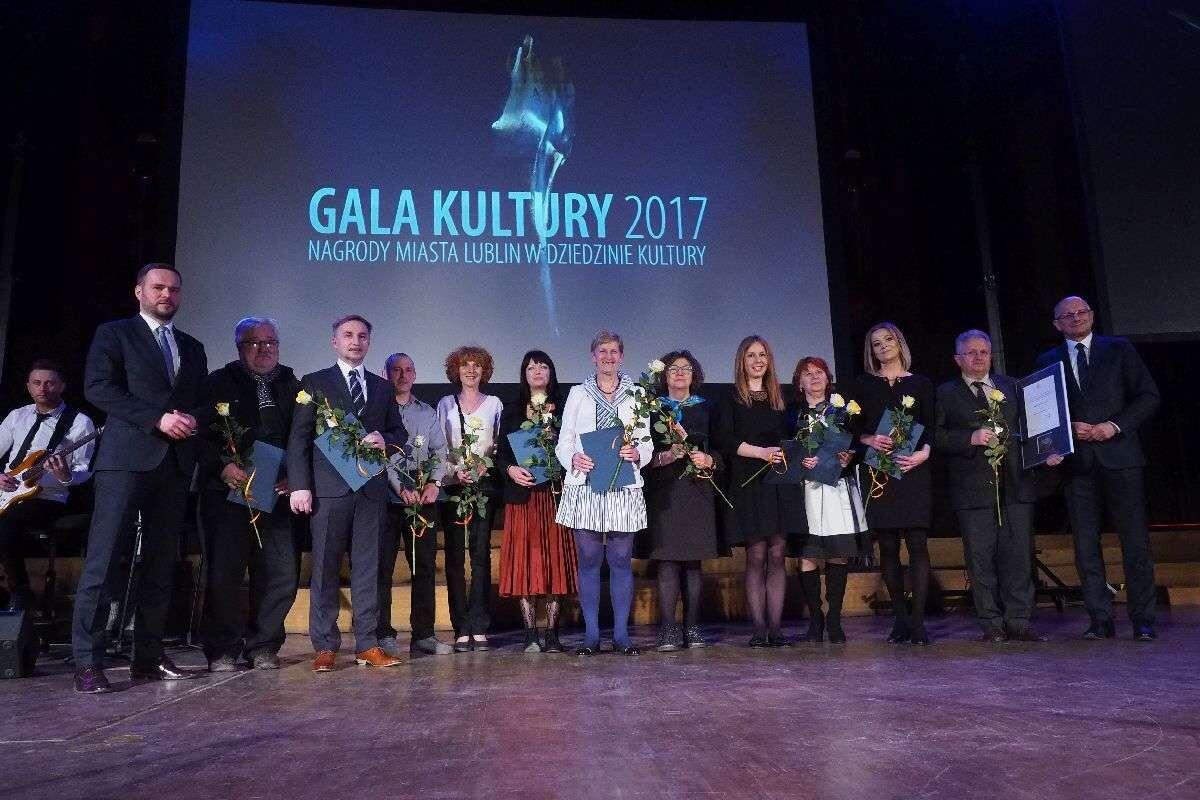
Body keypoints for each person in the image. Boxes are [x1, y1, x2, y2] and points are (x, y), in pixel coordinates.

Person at [71, 263, 208, 693]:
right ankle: (88, 662)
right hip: (126, 461)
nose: (167, 294)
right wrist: (156, 418)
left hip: (174, 466)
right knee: (105, 559)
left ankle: (147, 657)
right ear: (139, 292)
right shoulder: (115, 334)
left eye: (174, 289)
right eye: (158, 287)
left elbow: (203, 401)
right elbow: (98, 388)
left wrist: (193, 419)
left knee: (161, 565)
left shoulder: (192, 346)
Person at [1035, 296, 1160, 640]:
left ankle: (1143, 619)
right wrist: (1058, 437)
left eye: (1082, 312)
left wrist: (1113, 426)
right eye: (1067, 315)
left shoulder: (1119, 348)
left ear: (1091, 315)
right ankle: (1100, 619)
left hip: (1121, 457)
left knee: (1135, 542)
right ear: (1056, 324)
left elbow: (1148, 396)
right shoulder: (1047, 360)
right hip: (1078, 464)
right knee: (1085, 545)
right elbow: (1043, 412)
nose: (1076, 318)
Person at [288, 315, 407, 672]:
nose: (356, 341)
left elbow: (399, 434)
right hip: (329, 491)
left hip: (370, 491)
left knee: (368, 568)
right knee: (325, 567)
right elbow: (299, 437)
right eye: (348, 335)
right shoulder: (314, 383)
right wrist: (300, 485)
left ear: (369, 342)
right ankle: (325, 645)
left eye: (362, 336)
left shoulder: (382, 387)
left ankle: (367, 644)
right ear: (335, 342)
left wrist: (385, 439)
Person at [196, 317, 301, 672]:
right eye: (254, 342)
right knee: (225, 573)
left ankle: (264, 645)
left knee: (280, 572)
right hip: (229, 491)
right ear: (239, 347)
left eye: (270, 341)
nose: (264, 348)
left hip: (277, 492)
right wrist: (220, 466)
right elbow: (200, 434)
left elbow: (305, 437)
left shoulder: (293, 385)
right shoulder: (217, 383)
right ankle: (222, 648)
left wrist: (295, 476)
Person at [935, 330, 1048, 643]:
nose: (978, 357)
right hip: (972, 490)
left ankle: (1019, 621)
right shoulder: (945, 393)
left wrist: (1048, 452)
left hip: (1015, 485)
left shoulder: (1012, 386)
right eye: (971, 353)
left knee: (1019, 557)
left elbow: (1034, 427)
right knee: (981, 559)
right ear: (958, 358)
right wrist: (969, 438)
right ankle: (991, 624)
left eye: (983, 352)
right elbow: (936, 436)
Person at [555, 330, 652, 656]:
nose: (608, 357)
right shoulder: (578, 394)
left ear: (621, 356)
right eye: (602, 351)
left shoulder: (636, 394)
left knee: (621, 560)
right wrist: (573, 458)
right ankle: (592, 635)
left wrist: (637, 453)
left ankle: (622, 635)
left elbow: (647, 440)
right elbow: (565, 440)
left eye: (613, 352)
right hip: (587, 484)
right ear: (593, 356)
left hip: (623, 484)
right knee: (589, 559)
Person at [713, 335, 805, 648]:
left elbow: (794, 439)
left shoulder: (782, 398)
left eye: (762, 354)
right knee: (756, 554)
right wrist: (761, 453)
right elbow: (725, 440)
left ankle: (776, 630)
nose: (758, 360)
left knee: (777, 554)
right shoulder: (731, 399)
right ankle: (758, 629)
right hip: (748, 483)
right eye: (751, 355)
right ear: (742, 360)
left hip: (779, 483)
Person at [852, 322, 935, 645]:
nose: (883, 345)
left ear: (899, 343)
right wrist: (868, 439)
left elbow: (931, 427)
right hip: (879, 473)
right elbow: (851, 430)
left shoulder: (921, 384)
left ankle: (918, 623)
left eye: (888, 339)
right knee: (887, 546)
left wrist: (924, 454)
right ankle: (900, 619)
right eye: (876, 343)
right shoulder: (863, 385)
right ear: (871, 351)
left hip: (913, 469)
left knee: (917, 545)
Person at [496, 350, 578, 653]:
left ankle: (553, 633)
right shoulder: (512, 410)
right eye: (532, 367)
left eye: (543, 366)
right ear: (524, 374)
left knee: (556, 561)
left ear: (551, 372)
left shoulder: (565, 409)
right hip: (524, 496)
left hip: (555, 494)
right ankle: (530, 633)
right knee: (524, 561)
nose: (538, 371)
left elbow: (575, 447)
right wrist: (510, 470)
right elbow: (502, 454)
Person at [0, 360, 97, 612]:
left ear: (62, 386)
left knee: (7, 522)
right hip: (8, 491)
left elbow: (84, 471)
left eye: (49, 383)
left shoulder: (80, 423)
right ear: (28, 386)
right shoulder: (17, 415)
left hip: (48, 498)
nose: (43, 388)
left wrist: (66, 475)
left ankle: (20, 592)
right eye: (37, 383)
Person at [642, 349, 720, 652]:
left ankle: (693, 626)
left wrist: (708, 459)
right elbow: (643, 456)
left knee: (692, 562)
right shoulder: (652, 410)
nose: (679, 373)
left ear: (694, 374)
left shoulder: (707, 408)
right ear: (664, 375)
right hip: (664, 492)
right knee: (667, 560)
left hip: (696, 489)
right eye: (673, 368)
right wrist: (668, 455)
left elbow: (721, 448)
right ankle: (668, 629)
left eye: (685, 368)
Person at [789, 356, 867, 644]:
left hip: (837, 488)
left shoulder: (843, 411)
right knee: (808, 554)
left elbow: (859, 444)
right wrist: (800, 459)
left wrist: (850, 456)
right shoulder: (792, 414)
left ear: (828, 377)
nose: (814, 377)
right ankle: (815, 620)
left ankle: (834, 619)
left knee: (837, 551)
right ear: (799, 382)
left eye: (819, 372)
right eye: (807, 373)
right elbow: (785, 450)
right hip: (806, 490)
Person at [379, 352, 452, 657]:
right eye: (396, 370)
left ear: (415, 374)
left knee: (424, 567)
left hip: (422, 496)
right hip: (386, 496)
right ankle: (382, 634)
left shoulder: (426, 411)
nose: (403, 375)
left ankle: (424, 635)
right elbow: (380, 454)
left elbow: (440, 450)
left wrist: (434, 483)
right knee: (382, 568)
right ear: (386, 375)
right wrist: (399, 486)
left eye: (408, 370)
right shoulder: (378, 409)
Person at [436, 346, 504, 652]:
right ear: (457, 370)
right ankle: (461, 626)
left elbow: (499, 446)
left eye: (477, 365)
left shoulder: (495, 404)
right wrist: (455, 472)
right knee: (454, 557)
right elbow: (439, 447)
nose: (471, 370)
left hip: (484, 488)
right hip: (454, 487)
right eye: (465, 365)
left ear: (484, 371)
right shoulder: (445, 404)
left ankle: (479, 624)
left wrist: (484, 466)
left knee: (480, 556)